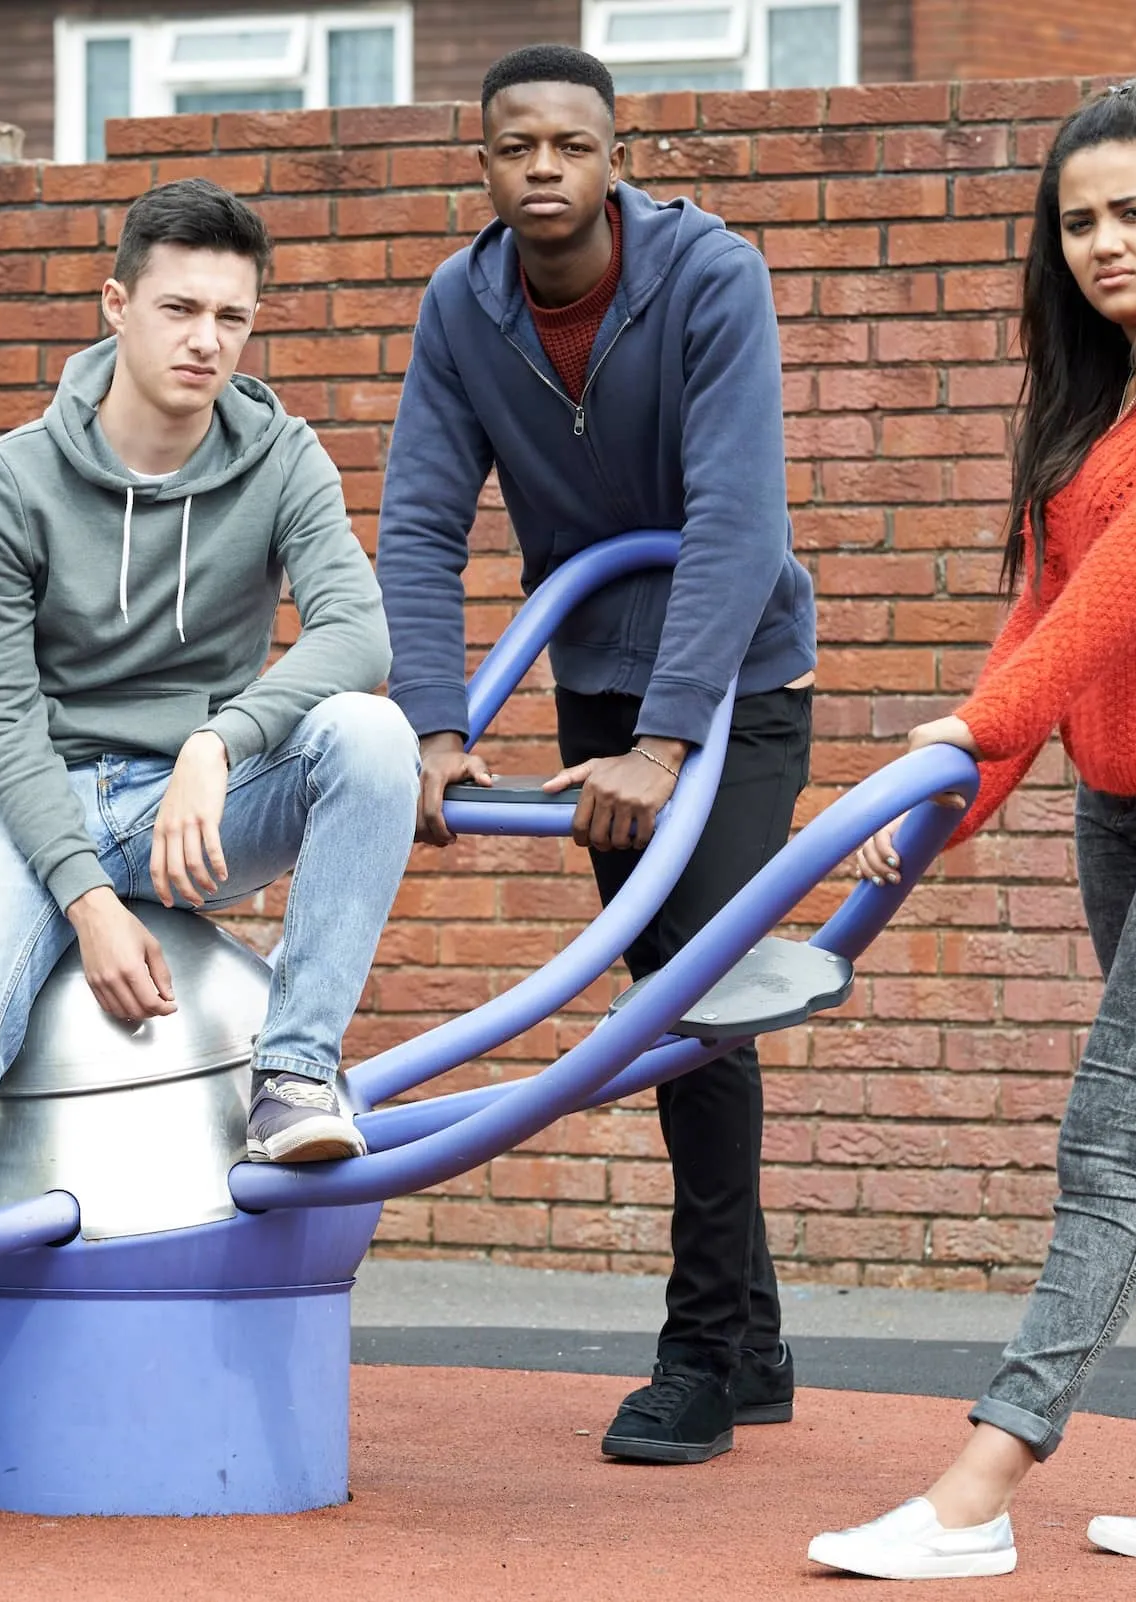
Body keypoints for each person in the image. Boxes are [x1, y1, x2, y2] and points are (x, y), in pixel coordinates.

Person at [0, 179, 419, 1527]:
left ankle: (293, 1070)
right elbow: (1, 724)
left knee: (371, 738)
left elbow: (354, 634)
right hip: (41, 813)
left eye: (233, 316)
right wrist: (87, 901)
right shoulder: (11, 480)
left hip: (200, 805)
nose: (208, 339)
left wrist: (222, 737)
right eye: (180, 308)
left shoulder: (282, 456)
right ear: (116, 306)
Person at [808, 82, 1136, 1579]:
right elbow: (1045, 618)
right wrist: (940, 812)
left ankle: (983, 1483)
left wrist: (964, 733)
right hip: (1125, 815)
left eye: (1133, 211)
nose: (1105, 241)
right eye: (1080, 219)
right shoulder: (1088, 400)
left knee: (1113, 1137)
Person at [375, 44, 816, 1467]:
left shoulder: (709, 278)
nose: (546, 167)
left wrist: (672, 737)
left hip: (737, 676)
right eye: (518, 147)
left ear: (614, 156)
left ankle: (699, 1351)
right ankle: (751, 1341)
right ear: (485, 166)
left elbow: (742, 518)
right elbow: (422, 523)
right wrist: (434, 728)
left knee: (696, 999)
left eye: (574, 142)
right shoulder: (463, 306)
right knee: (662, 994)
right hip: (595, 684)